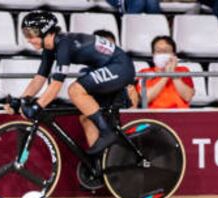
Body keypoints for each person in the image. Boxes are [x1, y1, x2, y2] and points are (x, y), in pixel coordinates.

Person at [12, 11, 136, 154]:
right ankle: (100, 166)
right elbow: (39, 79)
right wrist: (21, 100)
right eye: (25, 34)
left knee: (75, 90)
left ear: (45, 32)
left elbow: (56, 85)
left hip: (120, 67)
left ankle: (107, 133)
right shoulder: (49, 49)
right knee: (86, 118)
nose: (28, 39)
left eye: (31, 34)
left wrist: (37, 106)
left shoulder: (64, 44)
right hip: (111, 66)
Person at [136, 36, 194, 109]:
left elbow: (188, 97)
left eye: (166, 51)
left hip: (180, 114)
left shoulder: (183, 70)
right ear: (153, 54)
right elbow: (145, 99)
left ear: (173, 54)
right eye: (159, 51)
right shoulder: (144, 72)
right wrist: (166, 76)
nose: (162, 54)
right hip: (154, 116)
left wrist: (173, 74)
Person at [93, 30, 139, 109]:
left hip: (119, 113)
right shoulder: (86, 71)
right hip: (97, 114)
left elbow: (132, 95)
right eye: (102, 48)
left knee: (131, 90)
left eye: (111, 47)